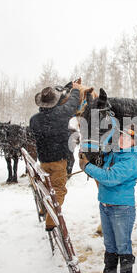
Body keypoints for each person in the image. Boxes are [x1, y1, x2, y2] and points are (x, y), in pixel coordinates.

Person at [79, 126, 137, 273]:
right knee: (110, 246)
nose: (121, 139)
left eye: (126, 138)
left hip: (122, 208)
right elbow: (104, 143)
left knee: (123, 247)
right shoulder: (114, 154)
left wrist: (87, 167)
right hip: (105, 206)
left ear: (134, 142)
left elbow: (110, 178)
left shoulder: (131, 160)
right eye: (121, 136)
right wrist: (112, 129)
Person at [30, 82, 81, 231]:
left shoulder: (34, 119)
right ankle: (51, 221)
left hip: (43, 161)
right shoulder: (61, 114)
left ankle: (43, 209)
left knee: (47, 187)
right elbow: (72, 104)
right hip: (59, 160)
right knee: (59, 189)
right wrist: (76, 90)